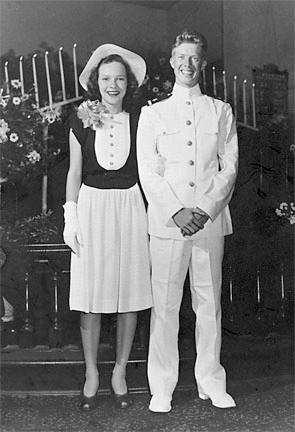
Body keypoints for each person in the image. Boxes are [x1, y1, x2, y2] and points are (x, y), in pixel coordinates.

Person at [137, 30, 238, 413]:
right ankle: (161, 386)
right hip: (168, 222)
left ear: (203, 62)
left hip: (209, 222)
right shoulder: (154, 113)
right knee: (164, 305)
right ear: (171, 60)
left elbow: (228, 169)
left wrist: (206, 209)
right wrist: (176, 210)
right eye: (181, 56)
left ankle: (211, 381)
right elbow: (148, 170)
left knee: (209, 303)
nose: (187, 64)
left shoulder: (220, 110)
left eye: (194, 57)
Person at [63, 44, 153, 411]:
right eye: (105, 78)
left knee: (129, 292)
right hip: (92, 206)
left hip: (130, 206)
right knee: (92, 297)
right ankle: (91, 374)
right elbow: (73, 172)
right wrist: (71, 215)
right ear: (95, 82)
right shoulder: (81, 118)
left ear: (128, 83)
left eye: (119, 79)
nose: (112, 85)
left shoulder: (141, 119)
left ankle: (118, 372)